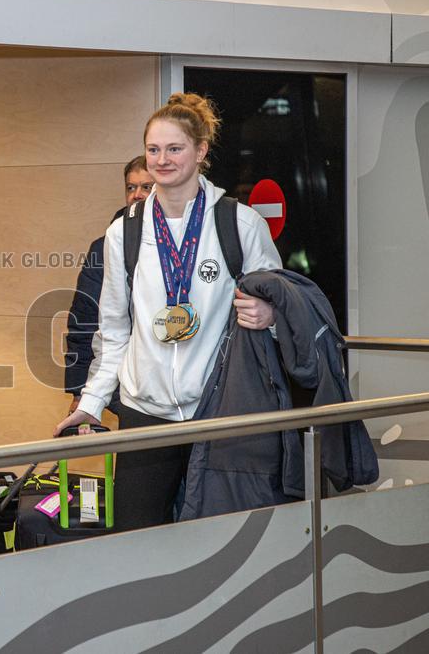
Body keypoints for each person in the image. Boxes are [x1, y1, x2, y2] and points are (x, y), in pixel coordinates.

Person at [55, 92, 281, 531]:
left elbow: (282, 308)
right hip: (144, 410)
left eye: (174, 148)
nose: (162, 160)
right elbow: (114, 329)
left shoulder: (240, 224)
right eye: (153, 149)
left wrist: (269, 316)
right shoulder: (125, 231)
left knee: (221, 537)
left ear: (200, 152)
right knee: (135, 537)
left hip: (219, 409)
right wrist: (93, 401)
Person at [64, 156, 153, 415]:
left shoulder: (188, 244)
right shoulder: (105, 246)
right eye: (131, 187)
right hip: (122, 385)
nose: (137, 195)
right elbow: (84, 319)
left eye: (146, 187)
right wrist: (80, 390)